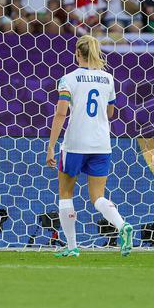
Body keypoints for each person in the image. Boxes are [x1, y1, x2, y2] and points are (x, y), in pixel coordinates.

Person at [46, 35, 133, 258]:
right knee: (97, 197)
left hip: (75, 144)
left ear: (77, 53)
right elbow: (111, 113)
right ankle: (122, 226)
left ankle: (73, 246)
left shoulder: (68, 79)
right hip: (101, 144)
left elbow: (61, 113)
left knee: (66, 194)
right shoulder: (108, 79)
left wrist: (51, 146)